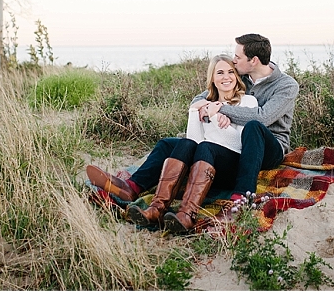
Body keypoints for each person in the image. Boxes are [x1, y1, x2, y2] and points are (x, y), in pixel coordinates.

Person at [86, 54, 257, 231]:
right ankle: (156, 208)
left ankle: (187, 214)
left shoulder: (247, 101)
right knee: (181, 144)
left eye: (230, 72)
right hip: (205, 166)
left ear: (237, 76)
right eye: (220, 72)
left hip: (230, 168)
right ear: (212, 78)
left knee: (206, 146)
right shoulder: (206, 104)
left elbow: (240, 144)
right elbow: (194, 142)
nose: (226, 77)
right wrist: (194, 111)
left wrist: (214, 116)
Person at [191, 34, 299, 202]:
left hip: (271, 148)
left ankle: (243, 195)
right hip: (237, 145)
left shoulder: (286, 85)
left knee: (254, 126)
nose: (233, 61)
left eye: (237, 57)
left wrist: (222, 109)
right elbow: (198, 100)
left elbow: (263, 118)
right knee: (174, 144)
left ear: (253, 60)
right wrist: (211, 110)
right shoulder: (239, 77)